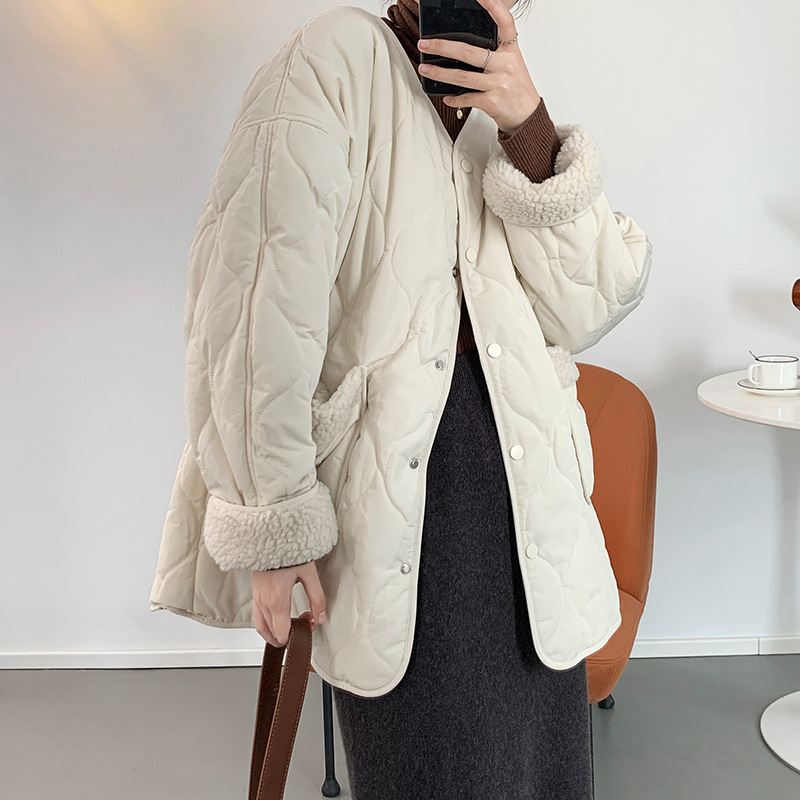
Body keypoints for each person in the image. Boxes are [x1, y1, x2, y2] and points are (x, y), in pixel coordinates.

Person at [148, 0, 653, 797]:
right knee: (439, 772)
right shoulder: (332, 63)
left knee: (548, 774)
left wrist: (529, 127)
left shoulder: (500, 117)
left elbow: (593, 305)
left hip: (534, 500)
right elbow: (253, 310)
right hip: (409, 507)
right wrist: (275, 520)